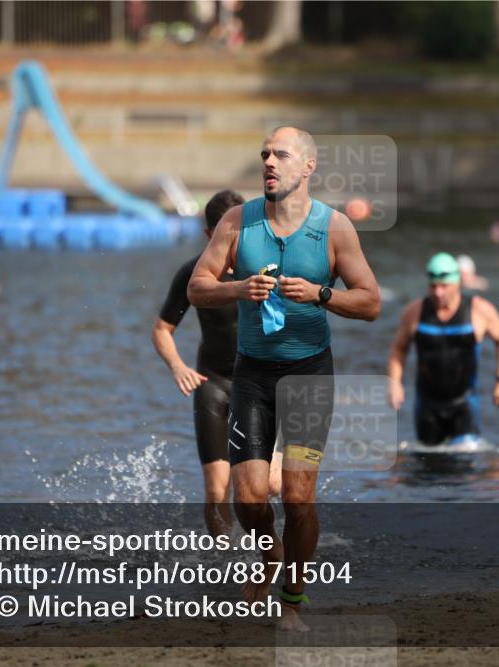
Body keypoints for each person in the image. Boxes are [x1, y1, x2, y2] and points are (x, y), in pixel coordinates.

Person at [188, 126, 380, 631]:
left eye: (281, 155)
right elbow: (197, 287)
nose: (269, 162)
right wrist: (238, 289)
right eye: (264, 155)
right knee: (248, 498)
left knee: (298, 498)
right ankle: (267, 553)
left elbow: (371, 302)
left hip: (309, 374)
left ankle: (292, 601)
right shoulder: (237, 222)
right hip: (251, 374)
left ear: (308, 167)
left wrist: (321, 295)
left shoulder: (334, 228)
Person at [153, 191, 283, 536]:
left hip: (259, 385)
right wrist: (178, 366)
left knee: (269, 486)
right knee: (216, 489)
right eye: (225, 231)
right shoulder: (193, 275)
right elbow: (162, 330)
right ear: (209, 235)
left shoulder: (268, 271)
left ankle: (270, 546)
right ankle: (223, 559)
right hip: (212, 383)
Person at [387, 252, 499, 446]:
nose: (438, 292)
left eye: (444, 286)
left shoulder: (479, 310)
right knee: (426, 468)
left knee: (464, 465)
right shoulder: (414, 312)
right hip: (427, 406)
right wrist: (395, 382)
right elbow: (399, 349)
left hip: (464, 404)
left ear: (458, 283)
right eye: (433, 286)